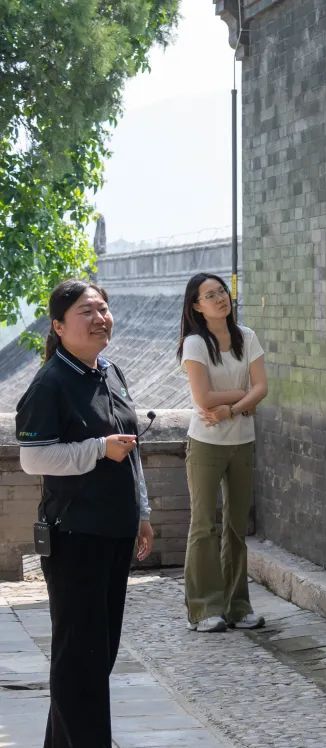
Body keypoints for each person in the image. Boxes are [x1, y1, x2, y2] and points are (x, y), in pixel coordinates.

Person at [17, 279, 155, 747]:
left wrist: (142, 511)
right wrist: (97, 448)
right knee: (80, 659)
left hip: (115, 530)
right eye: (86, 311)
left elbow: (131, 449)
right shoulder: (51, 383)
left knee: (99, 655)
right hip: (75, 535)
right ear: (58, 325)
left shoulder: (110, 373)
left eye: (103, 309)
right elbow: (34, 458)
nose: (100, 318)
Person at [178, 273, 268, 633]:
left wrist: (231, 408)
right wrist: (244, 396)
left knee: (236, 527)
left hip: (242, 440)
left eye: (222, 292)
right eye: (210, 295)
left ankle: (237, 607)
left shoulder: (247, 337)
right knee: (204, 525)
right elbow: (203, 398)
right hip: (206, 443)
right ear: (196, 306)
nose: (220, 299)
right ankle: (203, 609)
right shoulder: (195, 343)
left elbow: (262, 387)